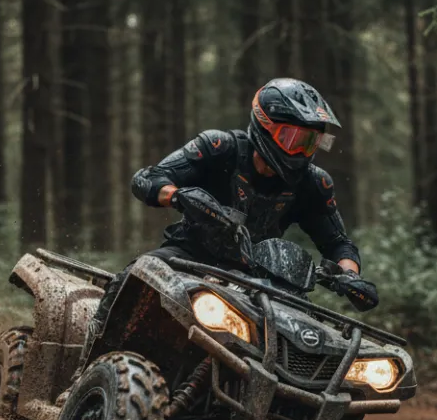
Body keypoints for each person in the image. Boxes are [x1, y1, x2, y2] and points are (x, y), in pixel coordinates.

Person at [87, 77, 366, 344]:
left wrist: (349, 276)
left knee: (306, 335)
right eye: (292, 139)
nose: (301, 152)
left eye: (310, 142)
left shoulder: (313, 183)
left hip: (263, 276)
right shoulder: (219, 148)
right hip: (190, 255)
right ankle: (91, 361)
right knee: (137, 274)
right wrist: (179, 197)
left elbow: (338, 243)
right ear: (264, 126)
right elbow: (147, 179)